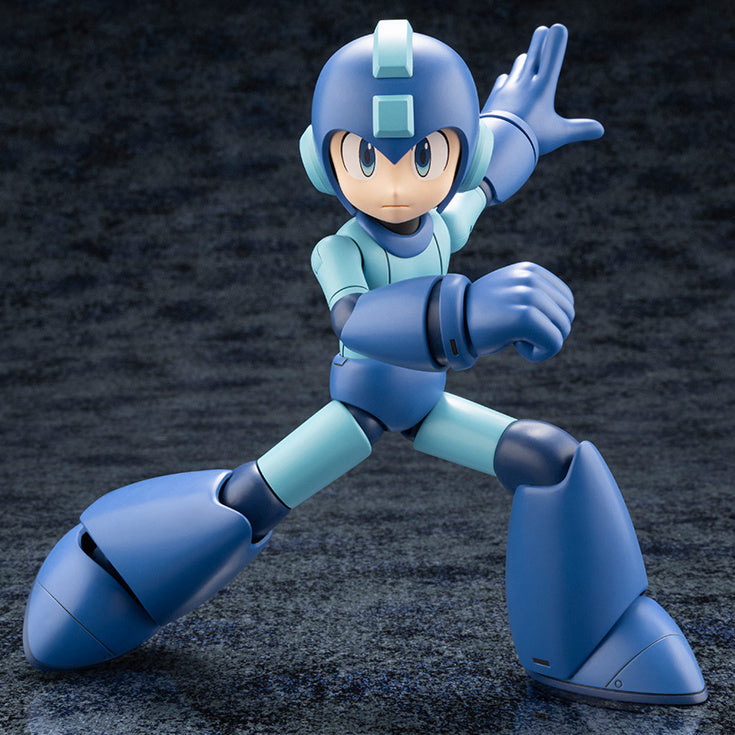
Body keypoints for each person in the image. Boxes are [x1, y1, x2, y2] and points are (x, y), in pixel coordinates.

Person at [24, 20, 706, 705]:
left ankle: (587, 641)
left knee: (552, 459)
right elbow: (355, 320)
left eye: (424, 157)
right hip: (358, 412)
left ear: (461, 155)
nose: (395, 184)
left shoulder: (441, 224)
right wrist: (463, 314)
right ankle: (118, 570)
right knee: (246, 502)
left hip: (429, 406)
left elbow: (483, 185)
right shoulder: (340, 250)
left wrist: (516, 128)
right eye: (366, 159)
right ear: (322, 161)